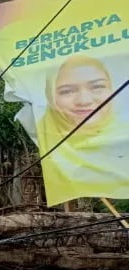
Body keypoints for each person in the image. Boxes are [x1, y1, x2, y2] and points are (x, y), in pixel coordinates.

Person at [35, 55, 129, 205]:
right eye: (67, 91)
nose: (84, 100)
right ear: (51, 97)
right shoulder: (46, 136)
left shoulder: (124, 133)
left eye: (97, 87)